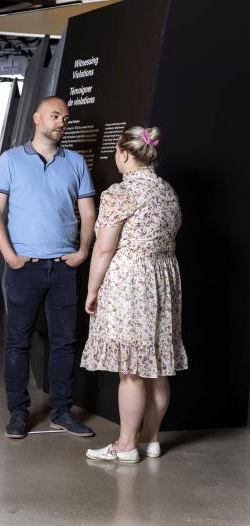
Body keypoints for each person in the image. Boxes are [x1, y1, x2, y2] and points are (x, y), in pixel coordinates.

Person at [0, 96, 97, 439]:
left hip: (64, 268)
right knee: (18, 342)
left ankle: (62, 411)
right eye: (55, 115)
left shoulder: (75, 162)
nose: (62, 121)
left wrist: (82, 252)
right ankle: (18, 413)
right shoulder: (10, 161)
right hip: (24, 268)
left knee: (64, 342)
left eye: (65, 117)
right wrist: (10, 257)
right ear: (37, 118)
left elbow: (90, 213)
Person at [82, 127, 187, 463]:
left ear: (124, 153)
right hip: (163, 278)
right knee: (156, 365)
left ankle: (126, 445)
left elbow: (104, 249)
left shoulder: (120, 193)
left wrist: (92, 288)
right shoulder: (167, 191)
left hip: (131, 281)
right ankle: (151, 439)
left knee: (131, 369)